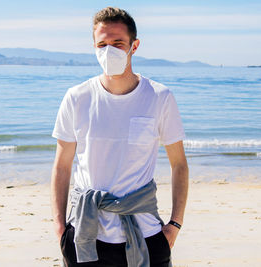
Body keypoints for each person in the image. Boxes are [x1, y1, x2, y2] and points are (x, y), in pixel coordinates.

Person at [51, 7, 188, 267]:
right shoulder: (77, 97)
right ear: (93, 46)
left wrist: (174, 224)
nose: (108, 51)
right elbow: (61, 165)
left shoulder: (159, 97)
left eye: (117, 43)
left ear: (134, 46)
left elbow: (179, 163)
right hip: (84, 236)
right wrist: (60, 226)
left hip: (145, 234)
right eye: (102, 44)